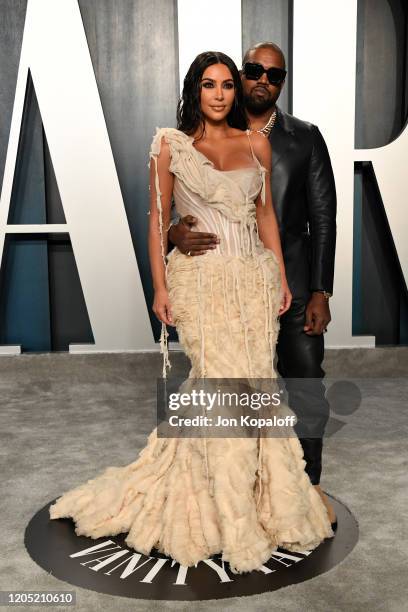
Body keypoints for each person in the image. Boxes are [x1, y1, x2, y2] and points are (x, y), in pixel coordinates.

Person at [49, 51, 333, 574]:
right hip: (199, 282)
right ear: (194, 92)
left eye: (227, 85)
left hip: (252, 280)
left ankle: (263, 500)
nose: (221, 94)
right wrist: (159, 287)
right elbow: (159, 220)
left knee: (257, 388)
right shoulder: (170, 145)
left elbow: (264, 213)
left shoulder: (256, 142)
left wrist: (279, 278)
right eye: (210, 85)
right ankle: (229, 517)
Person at [167, 42, 337, 526]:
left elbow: (324, 216)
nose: (263, 79)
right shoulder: (213, 133)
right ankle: (234, 489)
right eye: (255, 70)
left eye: (275, 74)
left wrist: (320, 289)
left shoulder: (303, 137)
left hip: (294, 282)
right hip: (228, 282)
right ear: (240, 75)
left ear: (282, 82)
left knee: (305, 381)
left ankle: (308, 486)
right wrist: (174, 233)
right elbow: (173, 206)